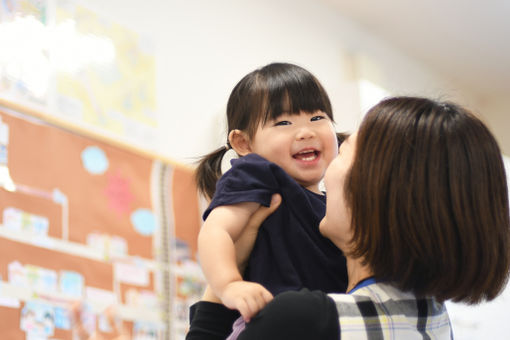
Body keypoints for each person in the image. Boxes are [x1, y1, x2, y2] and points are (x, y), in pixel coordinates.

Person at [187, 96, 510, 339]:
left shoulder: (303, 321)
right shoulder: (435, 320)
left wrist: (223, 287)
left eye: (346, 150)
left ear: (373, 194)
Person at [194, 62, 348, 324]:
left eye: (317, 117)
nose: (306, 131)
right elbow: (216, 232)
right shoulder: (257, 173)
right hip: (271, 318)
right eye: (284, 122)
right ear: (244, 143)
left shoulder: (336, 203)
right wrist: (229, 284)